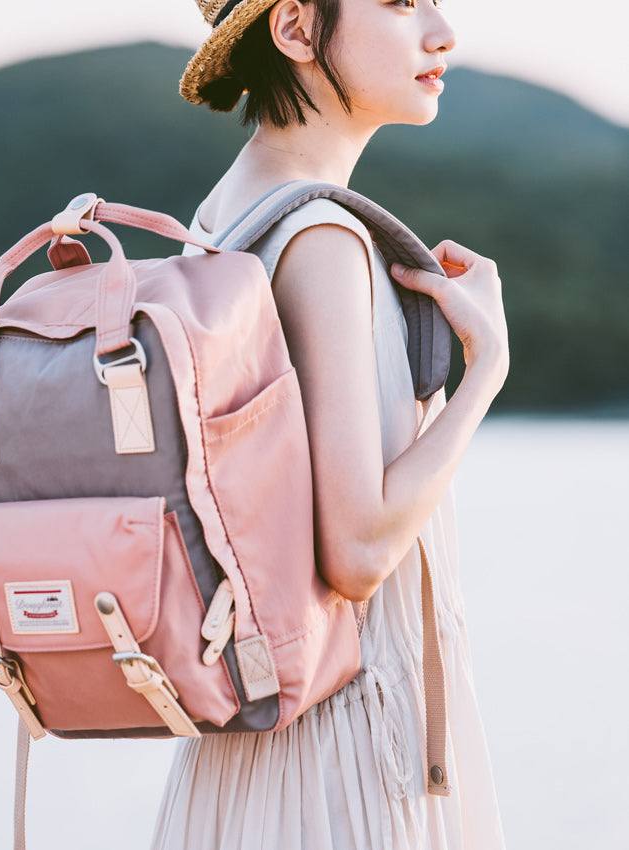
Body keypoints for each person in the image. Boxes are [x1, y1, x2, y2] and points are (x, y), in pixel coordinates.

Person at [149, 1, 510, 848]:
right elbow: (357, 551)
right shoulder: (321, 238)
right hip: (339, 758)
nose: (441, 31)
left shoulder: (226, 211)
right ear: (297, 29)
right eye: (398, 2)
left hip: (246, 749)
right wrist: (485, 369)